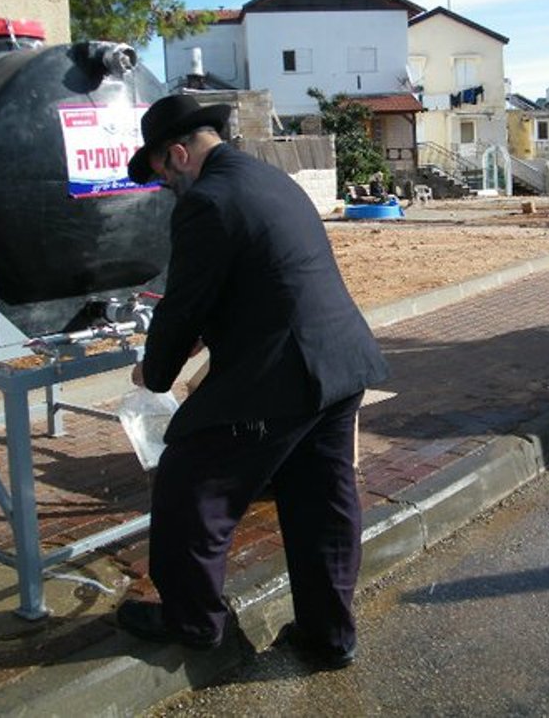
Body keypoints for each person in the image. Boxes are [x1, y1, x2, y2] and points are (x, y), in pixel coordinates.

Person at [117, 94, 389, 671]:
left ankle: (191, 621)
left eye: (164, 176)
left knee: (190, 480)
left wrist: (155, 371)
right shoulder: (266, 178)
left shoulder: (207, 202)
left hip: (286, 371)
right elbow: (255, 278)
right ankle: (328, 636)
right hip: (338, 364)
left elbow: (182, 304)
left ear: (178, 154)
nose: (167, 188)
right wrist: (195, 338)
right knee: (322, 504)